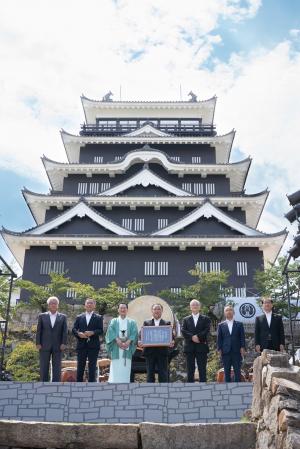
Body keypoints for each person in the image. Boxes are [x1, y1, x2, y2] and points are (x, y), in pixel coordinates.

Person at [139, 303, 174, 383]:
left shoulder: (167, 323)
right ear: (152, 311)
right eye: (155, 309)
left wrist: (172, 341)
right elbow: (141, 334)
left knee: (163, 373)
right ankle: (150, 391)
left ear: (162, 311)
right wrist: (139, 341)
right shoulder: (146, 323)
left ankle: (163, 392)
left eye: (159, 309)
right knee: (150, 373)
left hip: (162, 352)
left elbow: (171, 336)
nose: (157, 311)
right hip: (149, 352)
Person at [36, 296, 68, 382]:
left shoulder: (63, 317)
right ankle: (43, 384)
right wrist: (38, 343)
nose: (53, 305)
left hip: (58, 346)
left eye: (55, 303)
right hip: (44, 345)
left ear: (58, 305)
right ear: (48, 305)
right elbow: (39, 330)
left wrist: (64, 343)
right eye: (51, 303)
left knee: (57, 367)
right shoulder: (42, 316)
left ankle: (55, 386)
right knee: (43, 366)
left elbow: (64, 331)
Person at [72, 298, 103, 382]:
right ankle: (78, 386)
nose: (89, 305)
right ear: (85, 305)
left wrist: (92, 332)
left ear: (94, 306)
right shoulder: (79, 317)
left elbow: (101, 330)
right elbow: (74, 329)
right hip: (81, 345)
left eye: (91, 303)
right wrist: (79, 334)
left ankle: (91, 386)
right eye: (88, 303)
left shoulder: (98, 317)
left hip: (93, 345)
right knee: (80, 367)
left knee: (92, 367)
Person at [105, 303, 138, 383]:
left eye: (124, 308)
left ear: (127, 310)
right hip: (116, 347)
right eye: (121, 308)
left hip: (127, 347)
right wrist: (117, 340)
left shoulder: (132, 322)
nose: (123, 310)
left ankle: (125, 385)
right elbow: (110, 331)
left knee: (125, 368)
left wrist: (128, 341)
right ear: (118, 310)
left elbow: (134, 333)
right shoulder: (114, 321)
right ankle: (113, 384)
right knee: (115, 367)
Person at [181, 299, 210, 382]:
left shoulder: (206, 319)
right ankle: (190, 387)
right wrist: (192, 337)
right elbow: (183, 330)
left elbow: (206, 330)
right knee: (190, 369)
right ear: (190, 307)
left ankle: (203, 387)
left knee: (202, 368)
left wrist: (197, 336)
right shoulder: (185, 319)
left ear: (199, 307)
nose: (195, 306)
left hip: (201, 346)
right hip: (189, 347)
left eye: (196, 305)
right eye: (193, 305)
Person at [217, 305, 246, 382]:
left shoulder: (239, 324)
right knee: (226, 371)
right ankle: (227, 390)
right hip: (225, 351)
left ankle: (237, 389)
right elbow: (219, 338)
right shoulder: (221, 325)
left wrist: (243, 347)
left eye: (230, 310)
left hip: (237, 351)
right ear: (224, 313)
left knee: (237, 371)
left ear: (233, 312)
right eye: (227, 310)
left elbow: (242, 337)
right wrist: (219, 349)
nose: (229, 311)